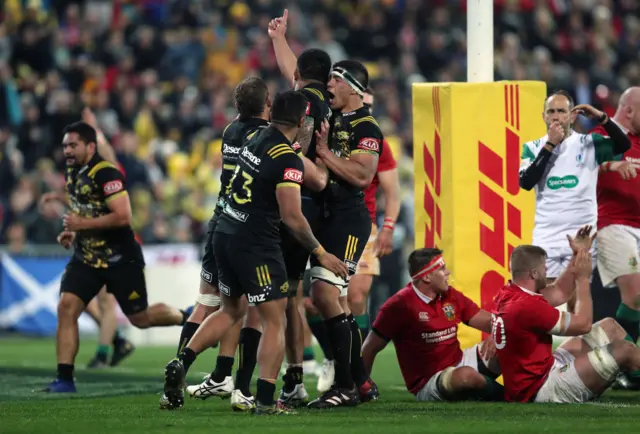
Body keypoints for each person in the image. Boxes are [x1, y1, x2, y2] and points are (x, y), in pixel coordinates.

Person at [162, 91, 348, 415]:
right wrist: (321, 253)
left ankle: (182, 360)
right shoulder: (288, 160)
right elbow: (292, 216)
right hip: (256, 243)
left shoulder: (252, 136)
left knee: (230, 311)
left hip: (224, 232)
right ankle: (264, 400)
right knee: (274, 318)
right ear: (302, 121)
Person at [43, 121, 190, 393]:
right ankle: (65, 379)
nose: (67, 151)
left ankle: (187, 317)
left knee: (140, 319)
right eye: (65, 146)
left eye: (73, 145)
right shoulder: (73, 172)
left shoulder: (107, 173)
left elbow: (123, 217)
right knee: (66, 307)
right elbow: (86, 210)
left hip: (121, 259)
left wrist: (81, 225)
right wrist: (73, 234)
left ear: (90, 146)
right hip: (87, 258)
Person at [305, 60, 382, 408]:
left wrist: (321, 152)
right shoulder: (333, 115)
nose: (328, 85)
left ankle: (347, 385)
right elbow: (301, 74)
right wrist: (280, 41)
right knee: (332, 300)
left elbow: (363, 176)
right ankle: (359, 382)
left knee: (324, 293)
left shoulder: (367, 127)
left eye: (335, 80)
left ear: (353, 87)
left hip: (349, 219)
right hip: (328, 216)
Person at [493, 226, 640, 403]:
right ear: (534, 273)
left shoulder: (510, 294)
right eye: (544, 268)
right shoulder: (526, 306)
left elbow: (560, 291)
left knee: (610, 327)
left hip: (541, 372)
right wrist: (583, 280)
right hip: (540, 389)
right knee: (625, 350)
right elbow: (583, 324)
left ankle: (634, 377)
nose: (547, 272)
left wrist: (578, 254)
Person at [361, 248, 503, 402]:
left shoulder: (450, 295)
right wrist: (362, 384)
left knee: (510, 343)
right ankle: (508, 396)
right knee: (465, 376)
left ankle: (525, 390)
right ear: (427, 276)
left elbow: (490, 322)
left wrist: (498, 335)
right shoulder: (399, 305)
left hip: (460, 362)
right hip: (429, 383)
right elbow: (370, 347)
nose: (448, 272)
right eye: (442, 268)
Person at [519, 91, 630, 284]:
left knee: (577, 301)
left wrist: (602, 118)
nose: (555, 116)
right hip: (546, 238)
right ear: (543, 116)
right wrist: (550, 145)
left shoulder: (588, 143)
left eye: (561, 111)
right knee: (550, 302)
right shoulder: (532, 147)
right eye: (551, 111)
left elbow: (623, 144)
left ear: (572, 116)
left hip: (582, 239)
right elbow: (526, 182)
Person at [589, 87, 640, 389]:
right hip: (614, 223)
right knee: (635, 295)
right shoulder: (601, 136)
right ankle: (622, 362)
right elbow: (580, 168)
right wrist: (610, 165)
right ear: (630, 110)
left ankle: (621, 359)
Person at [348, 88, 400, 339]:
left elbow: (392, 192)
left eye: (369, 108)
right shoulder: (331, 134)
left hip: (363, 224)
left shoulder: (379, 144)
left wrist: (388, 227)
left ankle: (356, 364)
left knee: (357, 295)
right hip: (326, 223)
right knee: (318, 301)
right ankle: (330, 356)